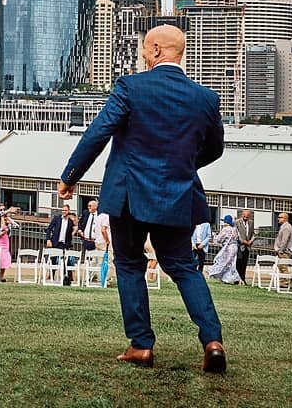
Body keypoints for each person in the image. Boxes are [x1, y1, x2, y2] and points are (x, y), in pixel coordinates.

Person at [57, 25, 226, 373]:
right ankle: (212, 341)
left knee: (131, 266)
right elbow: (214, 148)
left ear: (158, 51)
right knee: (182, 267)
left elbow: (98, 133)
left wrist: (69, 177)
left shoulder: (131, 88)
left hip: (129, 195)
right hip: (177, 195)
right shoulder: (205, 98)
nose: (144, 56)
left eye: (146, 50)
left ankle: (141, 345)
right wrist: (181, 165)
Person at [45, 205, 76, 284]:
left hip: (65, 244)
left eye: (65, 210)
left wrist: (75, 229)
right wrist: (48, 239)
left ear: (68, 211)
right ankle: (51, 276)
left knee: (67, 261)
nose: (64, 212)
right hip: (55, 243)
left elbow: (70, 234)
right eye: (63, 210)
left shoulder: (70, 222)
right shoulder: (57, 218)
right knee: (54, 260)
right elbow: (49, 229)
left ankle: (67, 278)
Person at [206, 215, 240, 285]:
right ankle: (231, 278)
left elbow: (219, 239)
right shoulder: (234, 229)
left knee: (223, 262)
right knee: (232, 263)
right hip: (235, 247)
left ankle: (214, 272)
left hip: (228, 248)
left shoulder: (225, 229)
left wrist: (215, 236)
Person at [0, 210, 17, 282]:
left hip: (5, 240)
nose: (2, 212)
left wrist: (10, 223)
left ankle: (1, 276)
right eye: (1, 210)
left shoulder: (7, 220)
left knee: (5, 258)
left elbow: (14, 227)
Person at [235, 210, 255, 285]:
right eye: (244, 216)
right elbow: (236, 234)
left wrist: (251, 241)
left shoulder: (251, 223)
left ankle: (243, 278)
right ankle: (237, 279)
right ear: (241, 215)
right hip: (240, 246)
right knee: (238, 263)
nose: (245, 218)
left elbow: (253, 233)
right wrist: (243, 241)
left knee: (244, 263)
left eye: (247, 216)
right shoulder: (237, 222)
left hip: (248, 247)